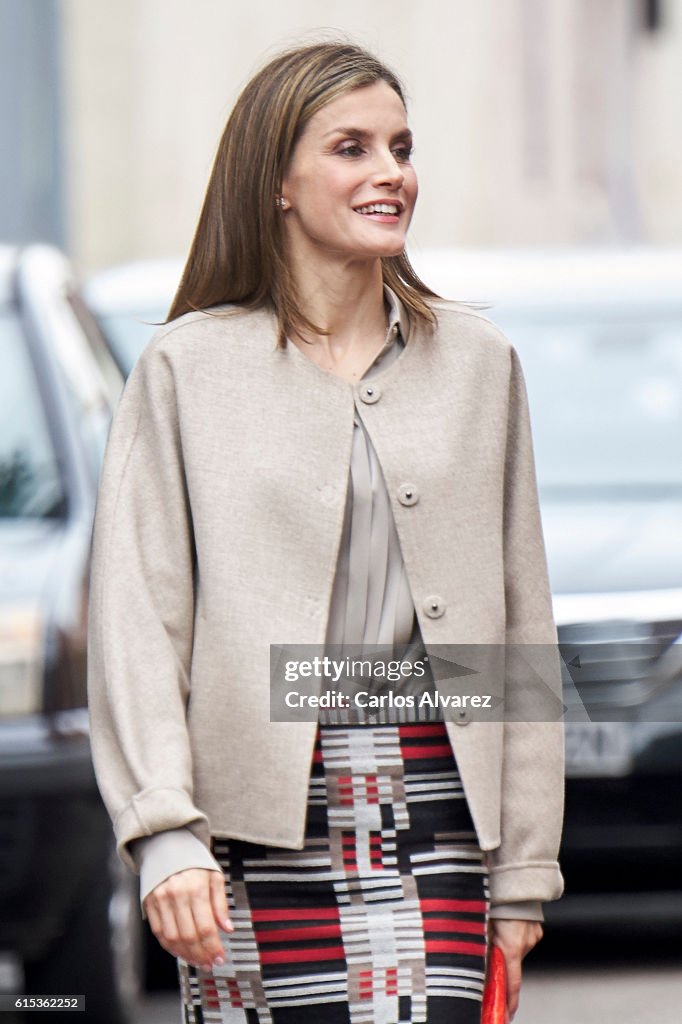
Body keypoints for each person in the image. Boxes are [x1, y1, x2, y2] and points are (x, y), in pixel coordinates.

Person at [87, 41, 564, 1024]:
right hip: (251, 816)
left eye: (400, 146)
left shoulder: (478, 363)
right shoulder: (185, 370)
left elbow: (515, 631)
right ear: (276, 183)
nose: (391, 172)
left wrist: (523, 865)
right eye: (352, 148)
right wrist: (163, 829)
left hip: (439, 804)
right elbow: (139, 620)